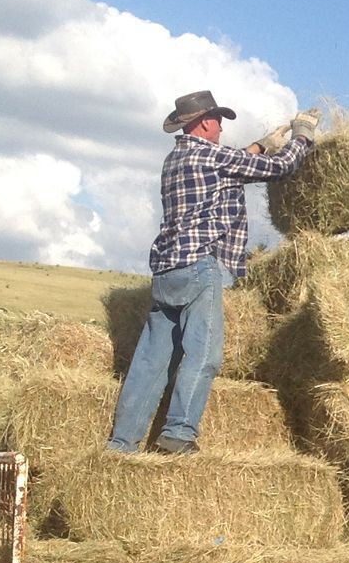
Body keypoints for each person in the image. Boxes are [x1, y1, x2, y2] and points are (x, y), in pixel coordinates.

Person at [106, 90, 320, 453]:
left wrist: (260, 145)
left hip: (166, 270)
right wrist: (302, 135)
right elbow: (279, 168)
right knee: (204, 353)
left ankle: (121, 443)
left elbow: (232, 167)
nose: (221, 128)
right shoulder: (209, 155)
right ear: (205, 123)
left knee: (150, 361)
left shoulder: (176, 158)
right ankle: (178, 434)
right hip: (196, 267)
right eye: (218, 121)